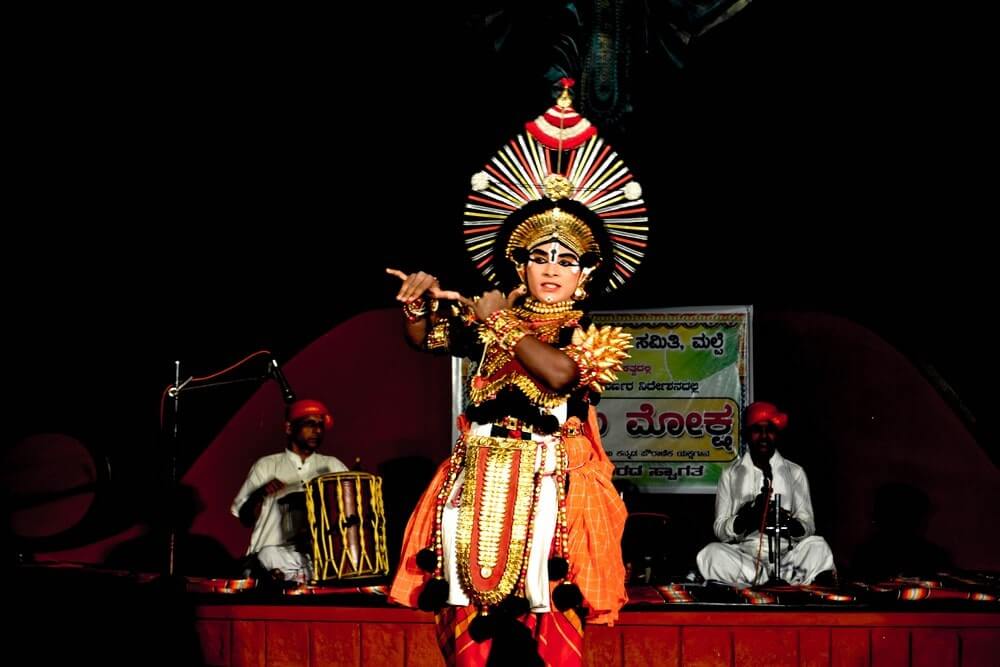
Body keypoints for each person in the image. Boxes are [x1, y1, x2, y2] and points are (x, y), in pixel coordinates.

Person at [387, 78, 651, 665]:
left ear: (585, 273)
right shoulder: (486, 322)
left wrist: (503, 325)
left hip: (552, 496)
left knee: (552, 634)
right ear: (519, 263)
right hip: (476, 486)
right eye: (540, 256)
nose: (552, 269)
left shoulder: (589, 335)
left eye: (566, 259)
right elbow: (425, 339)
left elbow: (559, 376)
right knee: (465, 634)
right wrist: (415, 303)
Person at [696, 401, 836, 587]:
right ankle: (767, 581)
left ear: (777, 434)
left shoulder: (795, 473)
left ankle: (766, 583)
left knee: (818, 546)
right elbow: (720, 530)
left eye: (769, 430)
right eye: (756, 430)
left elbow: (808, 525)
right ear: (746, 435)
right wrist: (746, 519)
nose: (763, 436)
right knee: (710, 554)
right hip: (745, 559)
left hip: (787, 560)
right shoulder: (730, 474)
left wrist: (786, 522)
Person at [230, 398, 347, 583]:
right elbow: (244, 519)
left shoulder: (332, 466)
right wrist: (260, 494)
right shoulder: (267, 465)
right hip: (268, 564)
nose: (317, 430)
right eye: (310, 424)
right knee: (268, 558)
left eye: (320, 425)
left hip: (316, 563)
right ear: (289, 428)